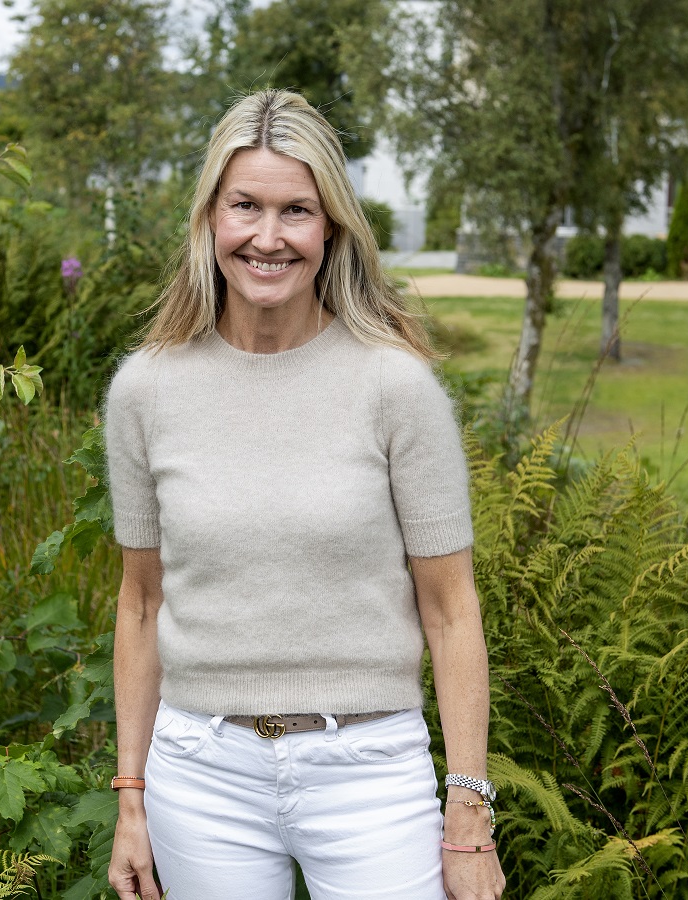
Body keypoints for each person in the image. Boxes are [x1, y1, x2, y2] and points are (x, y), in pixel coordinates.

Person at [104, 88, 506, 900]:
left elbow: (452, 610)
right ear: (210, 217)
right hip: (200, 774)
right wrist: (131, 799)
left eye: (296, 211)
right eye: (245, 206)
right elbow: (141, 605)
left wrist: (469, 815)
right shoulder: (145, 391)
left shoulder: (396, 387)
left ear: (331, 229)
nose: (268, 236)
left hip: (367, 772)